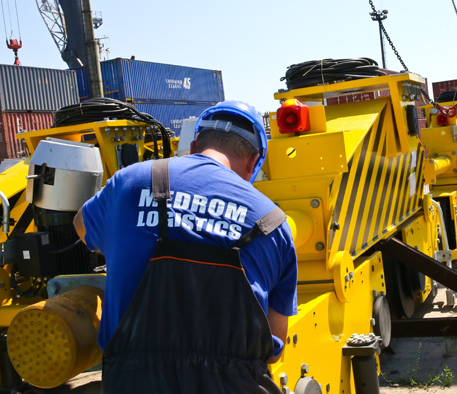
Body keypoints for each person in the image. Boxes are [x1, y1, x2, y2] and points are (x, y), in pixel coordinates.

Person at [73, 100, 298, 394]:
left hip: (133, 383)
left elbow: (81, 226)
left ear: (193, 146)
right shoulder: (273, 224)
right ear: (254, 161)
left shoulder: (129, 182)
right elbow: (273, 348)